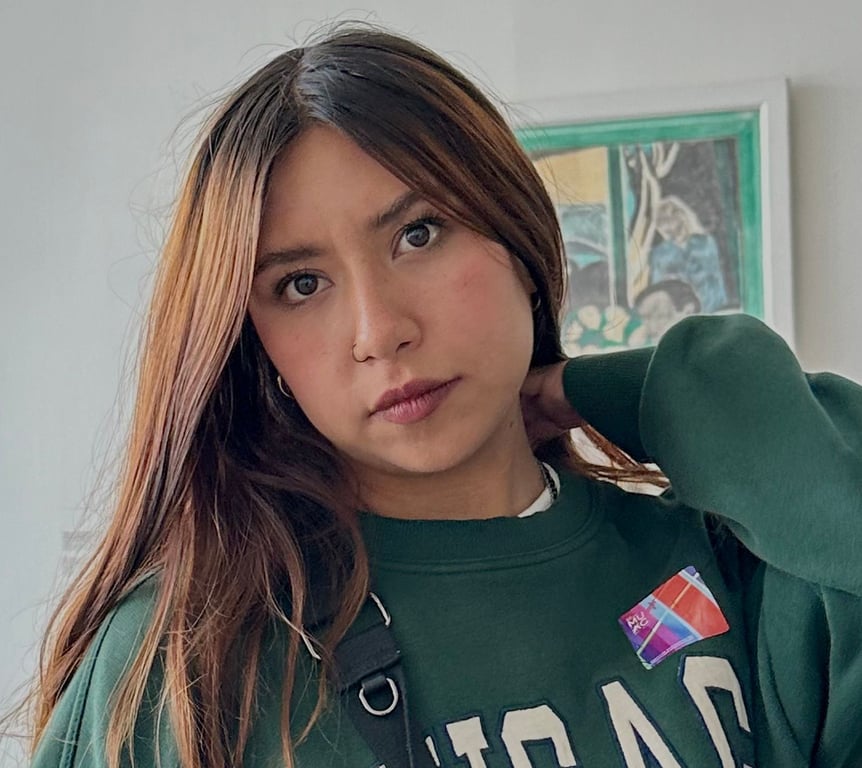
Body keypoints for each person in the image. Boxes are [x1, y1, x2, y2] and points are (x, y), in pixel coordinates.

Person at [26, 26, 862, 768]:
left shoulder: (721, 568)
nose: (378, 330)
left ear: (517, 239)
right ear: (256, 344)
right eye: (302, 284)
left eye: (418, 234)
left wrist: (658, 385)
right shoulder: (192, 664)